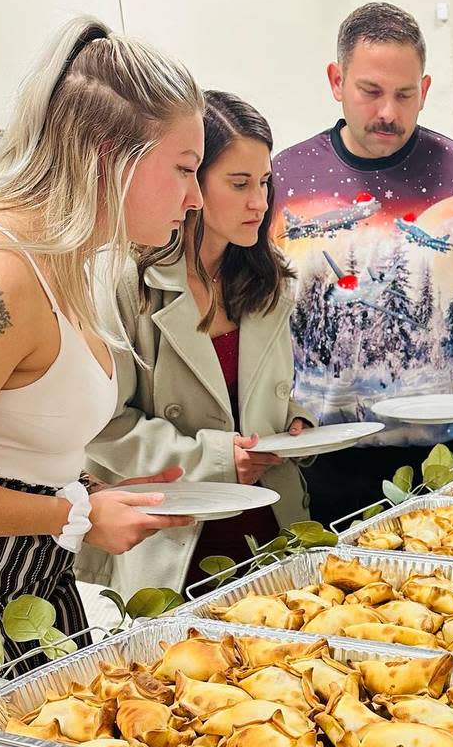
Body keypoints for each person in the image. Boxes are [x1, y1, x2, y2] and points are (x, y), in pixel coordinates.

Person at [0, 18, 201, 671]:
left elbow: (9, 440)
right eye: (183, 169)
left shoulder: (71, 260)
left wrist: (95, 487)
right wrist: (73, 513)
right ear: (109, 154)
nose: (194, 198)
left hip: (34, 592)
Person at [272, 3, 453, 527]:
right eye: (370, 91)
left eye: (405, 94)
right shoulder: (283, 181)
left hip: (440, 455)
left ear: (425, 86)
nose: (388, 113)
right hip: (314, 453)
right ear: (336, 80)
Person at [80, 90, 311, 596]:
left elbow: (259, 391)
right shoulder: (125, 280)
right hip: (177, 539)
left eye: (266, 182)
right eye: (240, 183)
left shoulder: (269, 277)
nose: (260, 201)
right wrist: (214, 457)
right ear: (192, 184)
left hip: (271, 524)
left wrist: (295, 423)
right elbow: (101, 425)